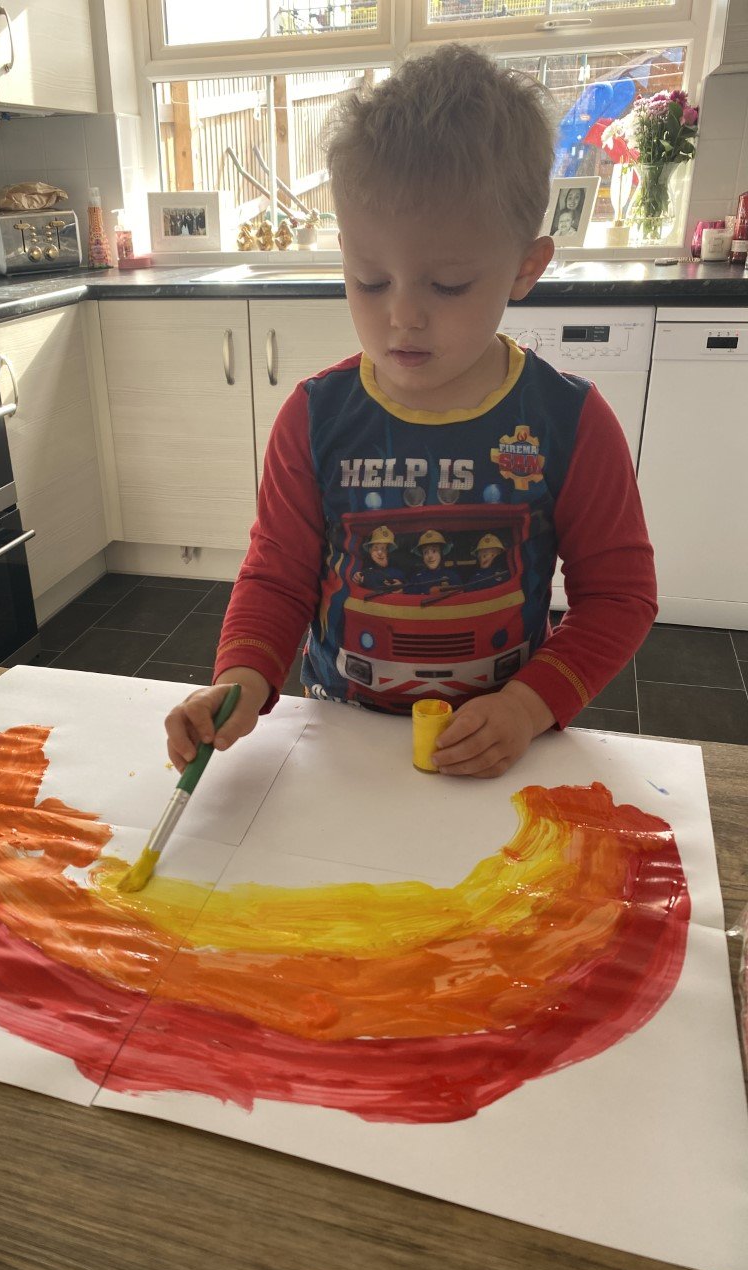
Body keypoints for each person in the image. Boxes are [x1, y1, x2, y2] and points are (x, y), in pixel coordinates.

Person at [164, 44, 655, 779]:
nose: (403, 317)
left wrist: (528, 706)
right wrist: (239, 682)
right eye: (369, 280)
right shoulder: (314, 417)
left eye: (448, 285)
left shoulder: (569, 422)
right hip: (341, 742)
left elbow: (619, 596)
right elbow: (277, 578)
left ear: (526, 267)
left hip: (498, 750)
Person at [352, 525, 403, 590]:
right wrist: (357, 579)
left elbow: (408, 588)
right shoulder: (363, 571)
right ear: (370, 550)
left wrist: (401, 587)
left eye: (383, 549)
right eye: (375, 548)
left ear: (388, 552)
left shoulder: (397, 573)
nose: (379, 552)